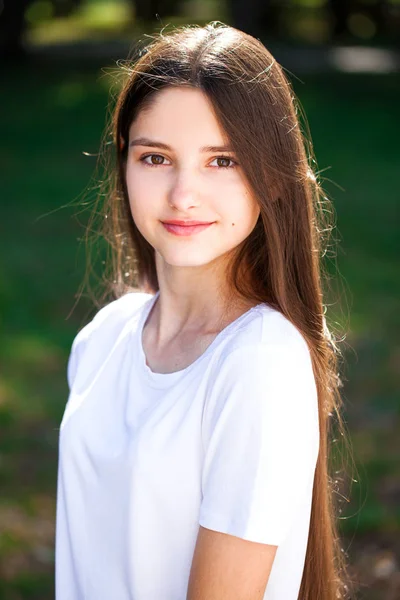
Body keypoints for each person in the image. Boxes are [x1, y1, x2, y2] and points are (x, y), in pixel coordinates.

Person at [55, 21, 351, 600]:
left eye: (223, 161)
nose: (183, 193)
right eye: (156, 157)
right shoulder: (103, 339)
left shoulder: (259, 363)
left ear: (273, 175)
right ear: (124, 163)